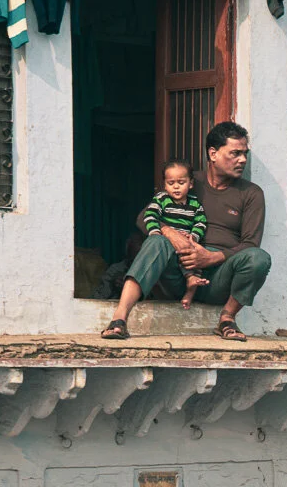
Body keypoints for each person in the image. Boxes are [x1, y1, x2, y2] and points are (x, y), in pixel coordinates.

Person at [102, 121, 271, 342]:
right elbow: (143, 217)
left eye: (244, 154)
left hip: (219, 277)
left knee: (259, 259)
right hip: (178, 272)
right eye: (235, 153)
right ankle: (119, 320)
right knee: (155, 241)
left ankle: (227, 319)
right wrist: (170, 233)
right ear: (213, 153)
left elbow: (250, 243)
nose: (242, 160)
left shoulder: (251, 193)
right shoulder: (187, 181)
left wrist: (211, 257)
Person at [140, 159, 211, 309]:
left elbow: (201, 222)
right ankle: (188, 280)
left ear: (190, 184)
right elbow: (150, 216)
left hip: (186, 243)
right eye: (171, 183)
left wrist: (193, 237)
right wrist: (155, 233)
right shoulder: (162, 199)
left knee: (194, 259)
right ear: (165, 184)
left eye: (181, 182)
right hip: (168, 243)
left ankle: (190, 289)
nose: (176, 187)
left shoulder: (195, 204)